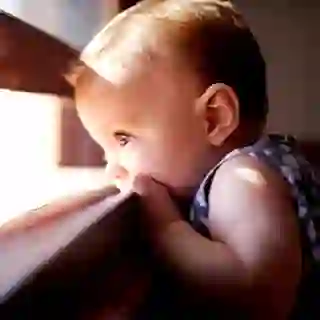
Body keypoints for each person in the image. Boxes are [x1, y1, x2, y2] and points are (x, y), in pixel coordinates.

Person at [69, 0, 320, 318]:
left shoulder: (241, 178)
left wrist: (166, 226)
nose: (112, 168)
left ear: (213, 118)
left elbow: (260, 295)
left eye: (123, 138)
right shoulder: (270, 161)